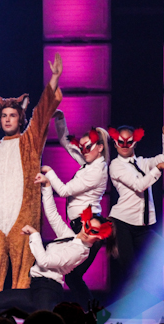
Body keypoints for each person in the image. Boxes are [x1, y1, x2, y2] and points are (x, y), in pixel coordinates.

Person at [0, 53, 63, 316]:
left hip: (23, 222)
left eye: (13, 115)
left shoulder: (30, 142)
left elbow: (41, 115)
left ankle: (22, 322)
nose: (8, 119)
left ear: (21, 118)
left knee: (23, 277)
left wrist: (54, 78)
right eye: (4, 115)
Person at [0, 173, 113, 314]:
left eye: (93, 231)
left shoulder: (80, 252)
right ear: (83, 222)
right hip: (35, 287)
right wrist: (47, 186)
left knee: (46, 321)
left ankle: (48, 313)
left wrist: (34, 234)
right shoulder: (69, 237)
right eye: (87, 225)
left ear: (99, 237)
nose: (87, 231)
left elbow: (45, 261)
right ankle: (31, 313)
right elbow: (53, 215)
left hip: (48, 290)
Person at [40, 110, 110, 309]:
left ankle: (91, 314)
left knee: (71, 275)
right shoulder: (89, 164)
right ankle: (92, 313)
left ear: (100, 147)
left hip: (87, 226)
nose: (84, 150)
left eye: (89, 146)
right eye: (83, 146)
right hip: (81, 224)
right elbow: (66, 143)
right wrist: (60, 119)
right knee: (72, 276)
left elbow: (63, 191)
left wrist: (49, 172)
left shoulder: (96, 170)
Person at [108, 121, 164, 297]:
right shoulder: (115, 165)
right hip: (122, 224)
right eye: (120, 142)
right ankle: (133, 310)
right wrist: (157, 169)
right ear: (115, 143)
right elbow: (139, 185)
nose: (124, 145)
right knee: (133, 274)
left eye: (128, 142)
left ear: (135, 142)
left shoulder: (142, 163)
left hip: (142, 227)